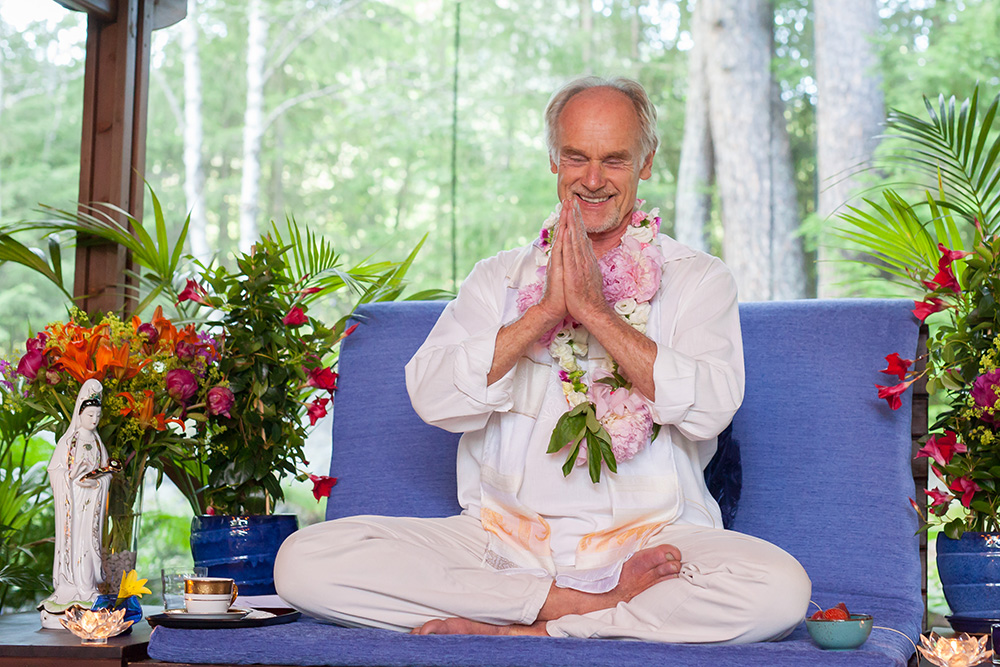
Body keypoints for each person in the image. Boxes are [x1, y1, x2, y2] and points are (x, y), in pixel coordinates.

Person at [275, 76, 811, 643]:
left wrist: (596, 313)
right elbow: (432, 397)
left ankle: (523, 629)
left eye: (614, 160)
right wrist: (544, 313)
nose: (593, 179)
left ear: (647, 162)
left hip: (651, 546)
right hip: (498, 546)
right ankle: (575, 608)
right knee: (303, 563)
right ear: (554, 159)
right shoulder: (498, 278)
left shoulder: (699, 279)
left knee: (778, 590)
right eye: (576, 157)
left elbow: (712, 410)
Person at [39, 378, 111, 629]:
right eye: (90, 415)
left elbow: (105, 473)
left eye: (98, 416)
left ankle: (87, 588)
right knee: (74, 546)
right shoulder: (68, 442)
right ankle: (69, 587)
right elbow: (55, 471)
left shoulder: (99, 443)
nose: (94, 420)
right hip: (73, 507)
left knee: (88, 547)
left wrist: (98, 482)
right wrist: (71, 479)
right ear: (79, 413)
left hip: (91, 507)